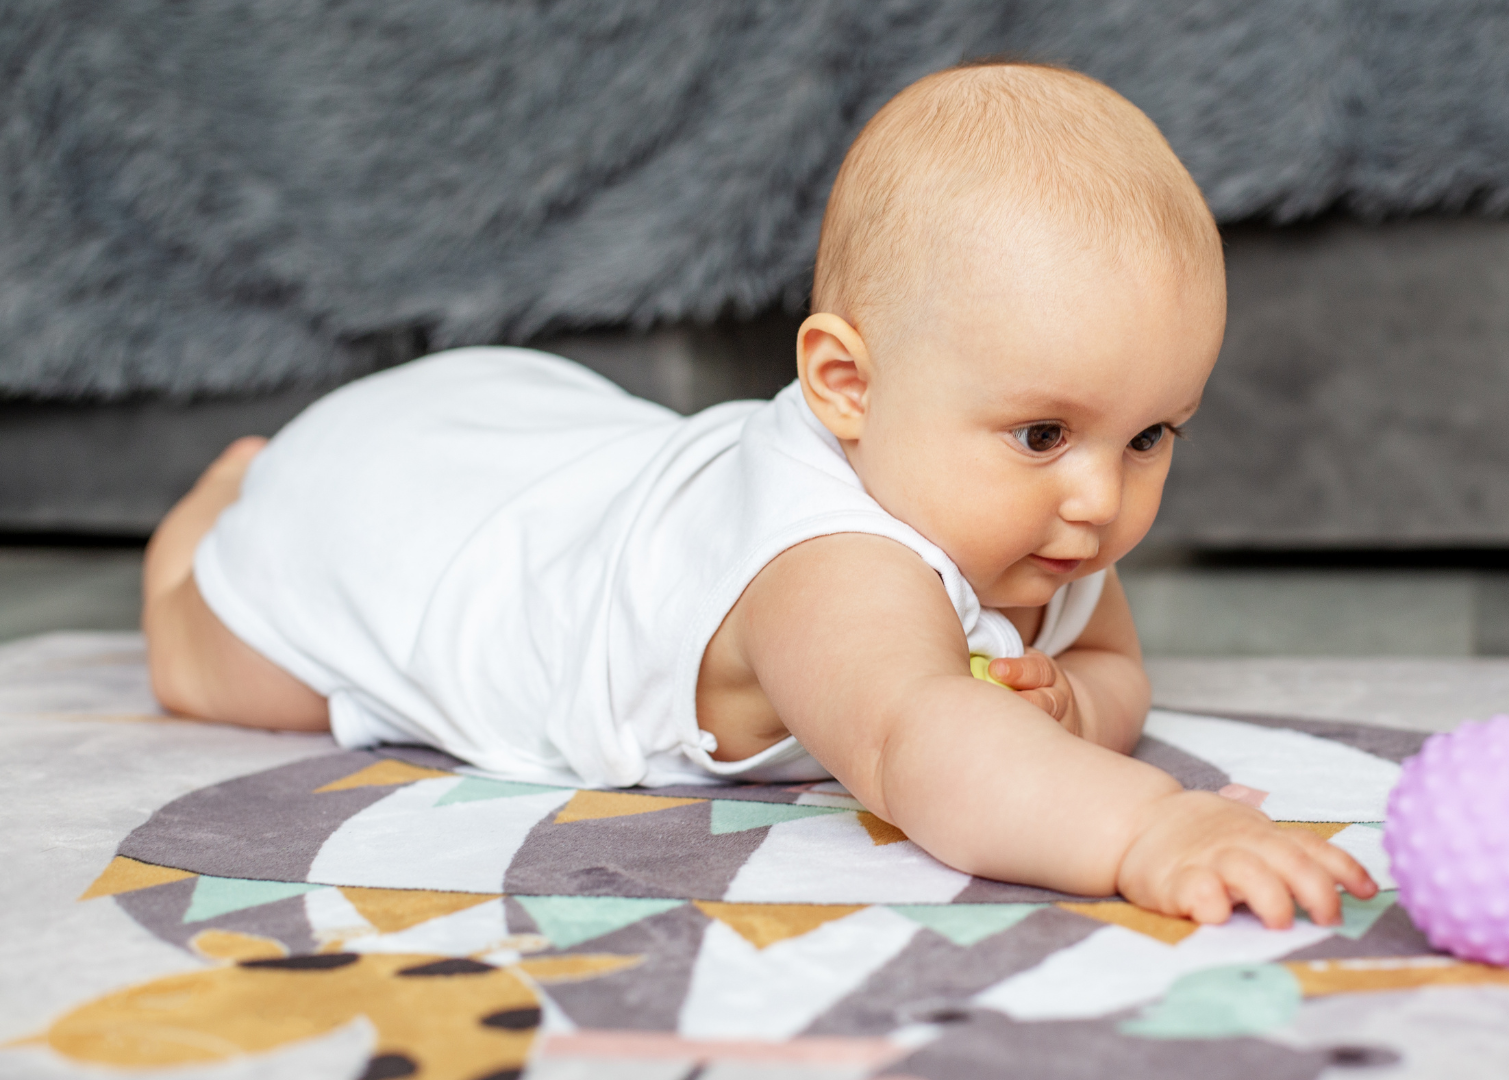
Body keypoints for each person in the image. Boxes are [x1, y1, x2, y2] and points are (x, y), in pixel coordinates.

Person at [142, 61, 1376, 928]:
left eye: (1152, 434)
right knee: (224, 675)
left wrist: (1069, 715)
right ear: (844, 384)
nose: (1102, 499)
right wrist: (1155, 830)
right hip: (420, 527)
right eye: (1044, 431)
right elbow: (917, 746)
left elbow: (1112, 672)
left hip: (578, 455)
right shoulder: (828, 564)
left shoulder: (1039, 521)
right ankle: (210, 516)